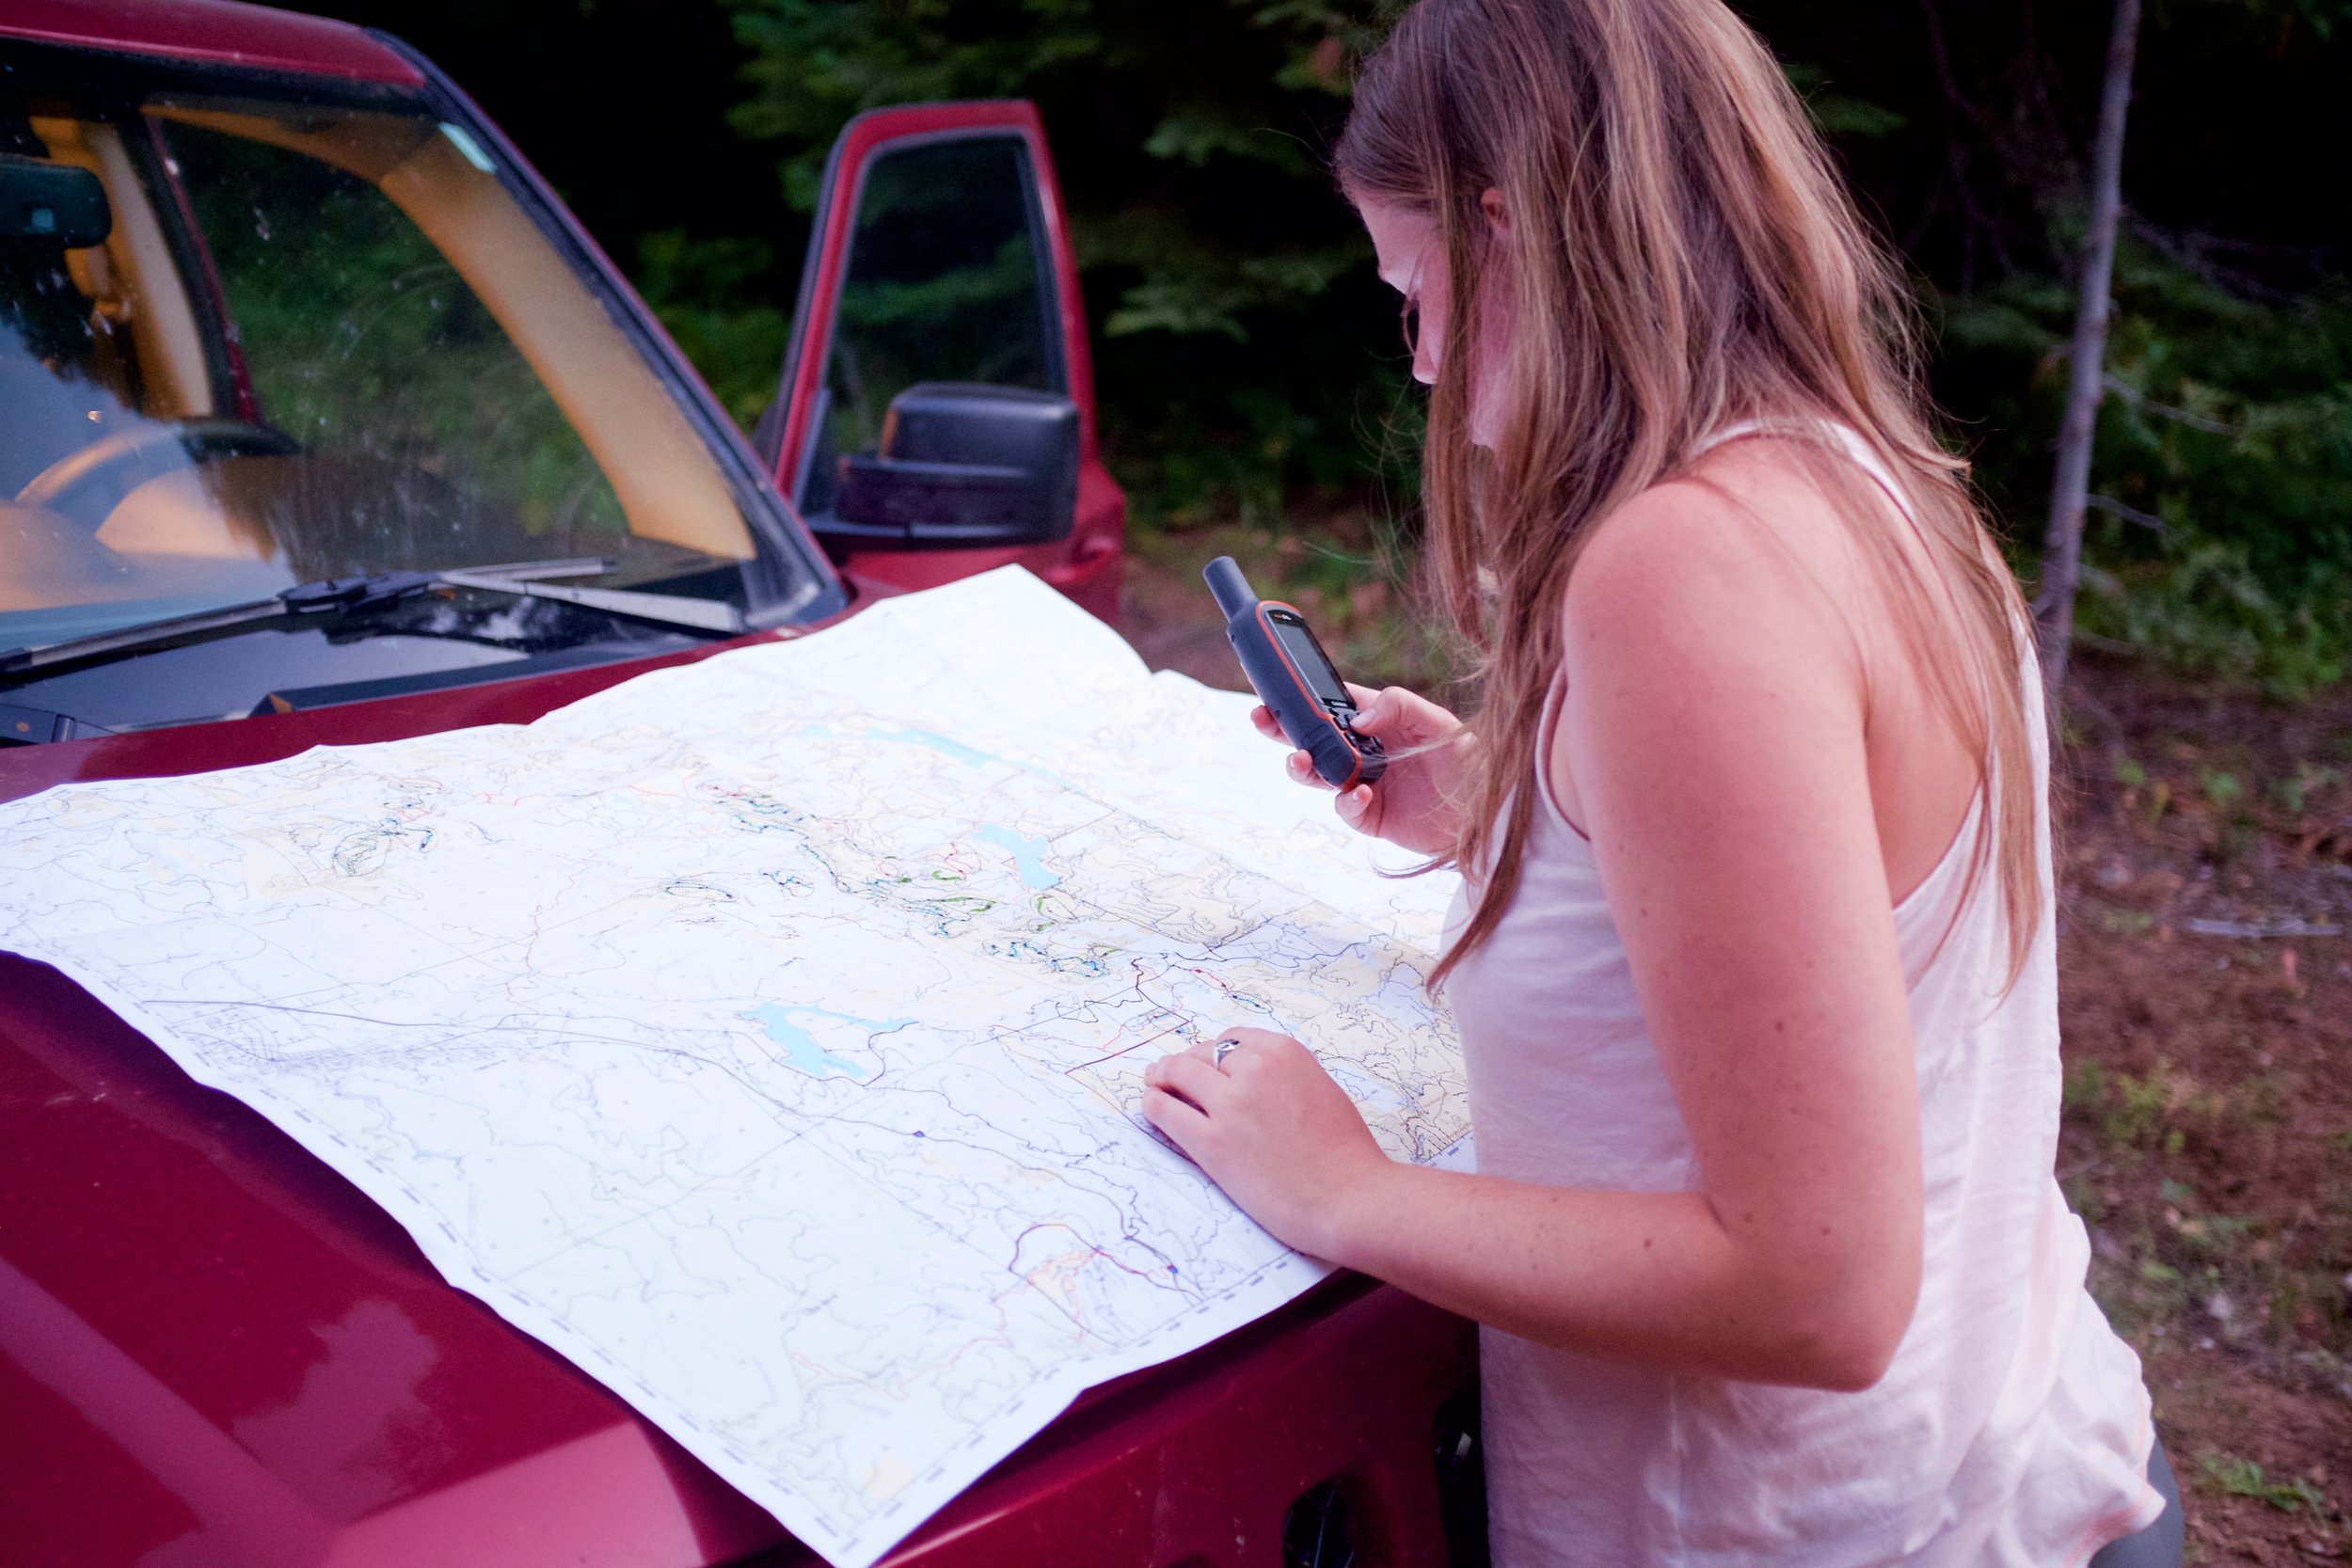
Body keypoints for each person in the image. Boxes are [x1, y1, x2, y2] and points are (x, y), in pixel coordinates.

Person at [1139, 2, 2182, 1563]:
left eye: (1418, 292)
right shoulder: (1873, 481)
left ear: (1512, 231)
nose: (1420, 364)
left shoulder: (1683, 567)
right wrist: (1521, 808)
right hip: (2013, 1464)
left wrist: (1338, 1190)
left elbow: (1815, 1288)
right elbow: (1852, 883)